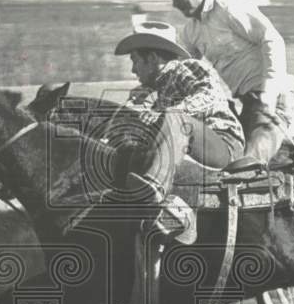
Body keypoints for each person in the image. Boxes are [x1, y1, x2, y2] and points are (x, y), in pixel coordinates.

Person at [152, 0, 294, 171]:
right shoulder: (190, 32)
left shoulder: (230, 7)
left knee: (247, 166)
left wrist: (269, 94)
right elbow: (180, 69)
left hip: (272, 101)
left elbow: (272, 40)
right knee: (226, 159)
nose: (175, 3)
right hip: (246, 105)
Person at [104, 20, 245, 242]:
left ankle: (154, 187)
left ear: (152, 59)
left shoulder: (188, 68)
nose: (133, 70)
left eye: (136, 61)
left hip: (223, 144)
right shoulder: (159, 89)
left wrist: (170, 112)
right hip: (195, 145)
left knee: (172, 119)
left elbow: (210, 95)